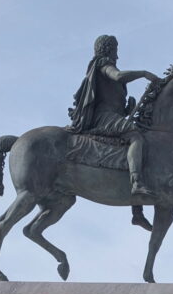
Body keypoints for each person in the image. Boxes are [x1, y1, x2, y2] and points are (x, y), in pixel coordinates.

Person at [66, 34, 160, 197]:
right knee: (136, 137)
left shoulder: (104, 69)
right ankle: (137, 182)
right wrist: (144, 73)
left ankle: (136, 204)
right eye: (116, 50)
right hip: (102, 116)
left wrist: (127, 110)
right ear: (108, 50)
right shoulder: (103, 64)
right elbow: (118, 76)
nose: (117, 55)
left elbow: (113, 102)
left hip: (111, 115)